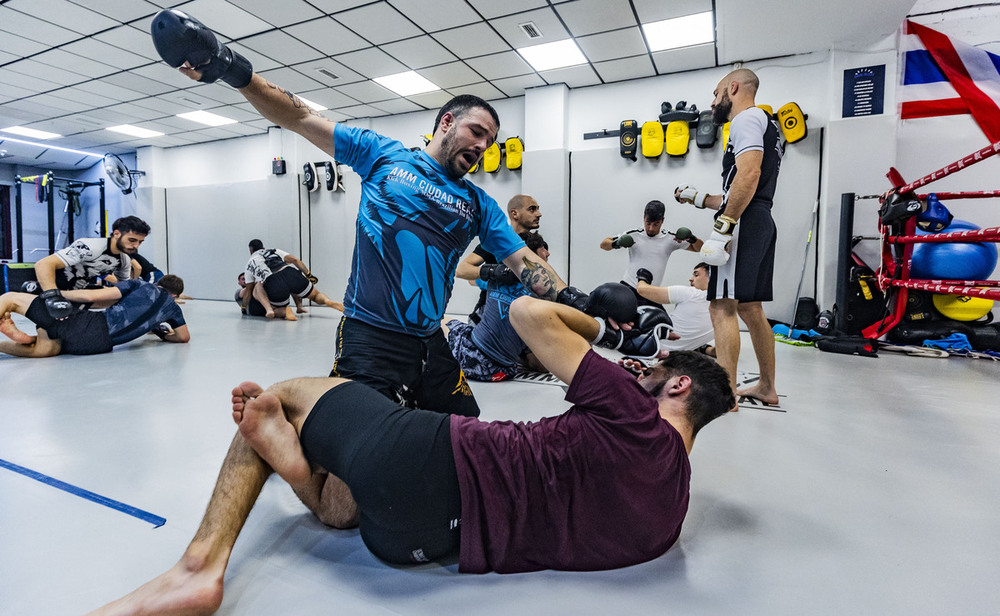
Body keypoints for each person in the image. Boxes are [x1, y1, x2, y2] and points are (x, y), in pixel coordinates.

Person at [87, 292, 734, 614]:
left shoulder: (631, 409)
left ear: (677, 385)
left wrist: (602, 322)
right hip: (421, 544)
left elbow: (531, 317)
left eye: (657, 369)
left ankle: (197, 569)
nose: (640, 370)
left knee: (281, 397)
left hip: (430, 461)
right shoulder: (668, 512)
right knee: (352, 494)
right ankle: (308, 480)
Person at [673, 68, 783, 406]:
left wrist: (723, 229)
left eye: (716, 93)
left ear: (732, 88)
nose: (713, 101)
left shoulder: (746, 118)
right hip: (761, 218)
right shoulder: (770, 125)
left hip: (744, 222)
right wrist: (697, 197)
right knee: (751, 307)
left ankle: (725, 394)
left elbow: (748, 175)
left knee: (721, 306)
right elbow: (743, 186)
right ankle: (766, 386)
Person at [444, 232, 549, 381]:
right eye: (543, 248)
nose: (547, 252)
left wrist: (490, 273)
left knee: (442, 322)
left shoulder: (499, 278)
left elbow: (471, 280)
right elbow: (540, 366)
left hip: (473, 356)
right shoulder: (543, 296)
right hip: (505, 371)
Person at [0, 275, 190, 357]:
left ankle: (33, 331)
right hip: (97, 346)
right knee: (47, 349)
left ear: (158, 283)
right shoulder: (174, 309)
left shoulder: (141, 285)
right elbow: (183, 337)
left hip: (89, 325)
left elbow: (92, 296)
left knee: (10, 298)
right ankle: (21, 340)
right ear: (175, 296)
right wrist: (162, 333)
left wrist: (53, 294)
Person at [456, 194, 543, 324]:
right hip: (487, 319)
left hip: (521, 320)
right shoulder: (496, 241)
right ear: (515, 213)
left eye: (538, 209)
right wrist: (496, 273)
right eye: (532, 209)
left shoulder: (537, 243)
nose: (539, 214)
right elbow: (462, 270)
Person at [600, 200, 702, 308]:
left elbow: (699, 248)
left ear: (662, 221)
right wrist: (617, 243)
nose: (651, 228)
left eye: (655, 224)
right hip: (629, 288)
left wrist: (691, 238)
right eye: (648, 223)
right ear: (644, 218)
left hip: (651, 293)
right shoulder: (634, 234)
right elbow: (604, 244)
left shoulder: (670, 238)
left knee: (664, 323)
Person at [242, 240, 343, 320]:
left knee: (257, 287)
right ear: (263, 247)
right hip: (290, 272)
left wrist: (244, 306)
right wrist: (308, 274)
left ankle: (282, 311)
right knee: (315, 295)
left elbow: (248, 291)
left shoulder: (250, 263)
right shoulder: (274, 250)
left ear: (250, 251)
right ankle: (328, 301)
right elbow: (295, 260)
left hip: (273, 282)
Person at [636, 263, 715, 356]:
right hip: (671, 355)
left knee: (630, 294)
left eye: (696, 275)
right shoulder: (725, 313)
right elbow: (718, 351)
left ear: (712, 277)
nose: (691, 279)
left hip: (644, 344)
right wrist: (705, 348)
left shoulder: (692, 293)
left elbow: (642, 290)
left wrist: (642, 278)